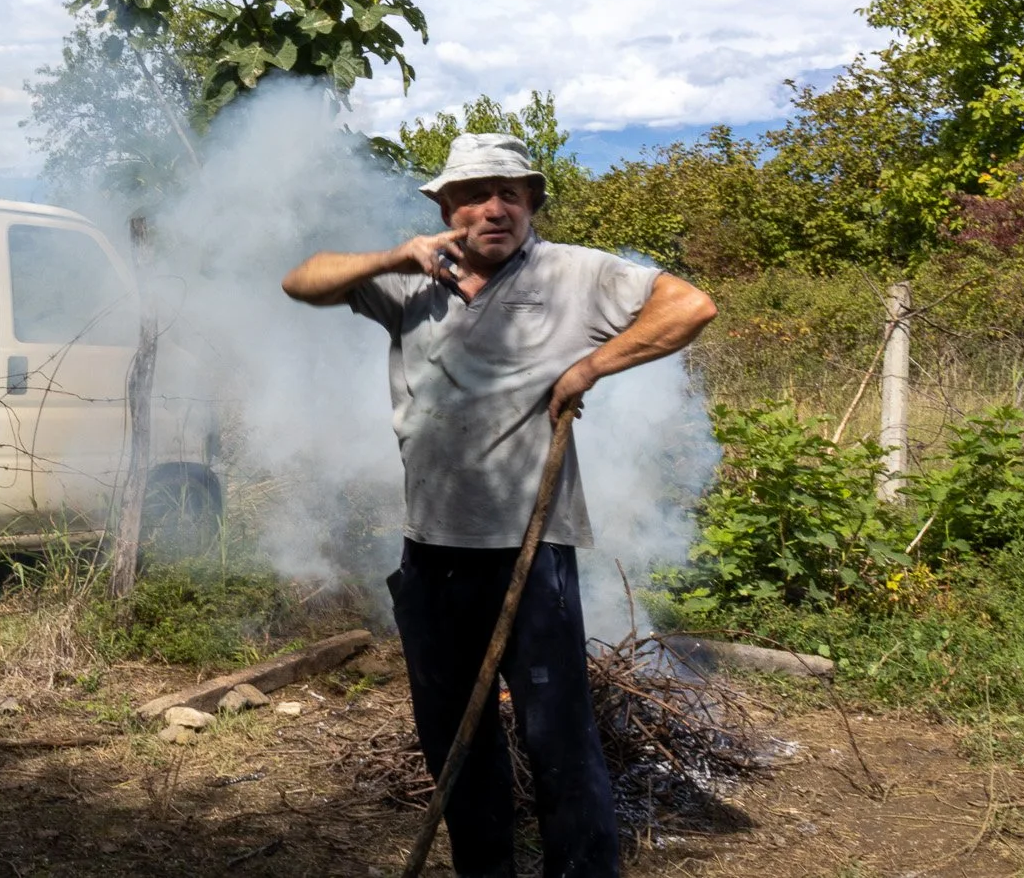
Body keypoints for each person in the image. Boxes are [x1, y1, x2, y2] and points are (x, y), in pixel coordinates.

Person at [281, 132, 717, 878]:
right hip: (432, 553)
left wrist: (592, 364)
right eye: (476, 194)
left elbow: (690, 304)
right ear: (447, 207)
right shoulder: (411, 282)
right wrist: (395, 255)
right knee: (456, 738)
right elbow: (302, 280)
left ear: (531, 203)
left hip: (531, 551)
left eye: (511, 193)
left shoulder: (573, 273)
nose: (494, 207)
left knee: (559, 739)